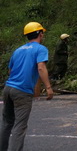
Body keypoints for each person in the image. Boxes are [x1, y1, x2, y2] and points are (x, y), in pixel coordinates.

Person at [1, 22, 54, 151]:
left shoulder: (18, 50)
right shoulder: (40, 49)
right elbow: (41, 67)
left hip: (8, 89)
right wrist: (48, 87)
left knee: (7, 123)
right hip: (22, 92)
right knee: (20, 126)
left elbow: (10, 71)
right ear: (40, 34)